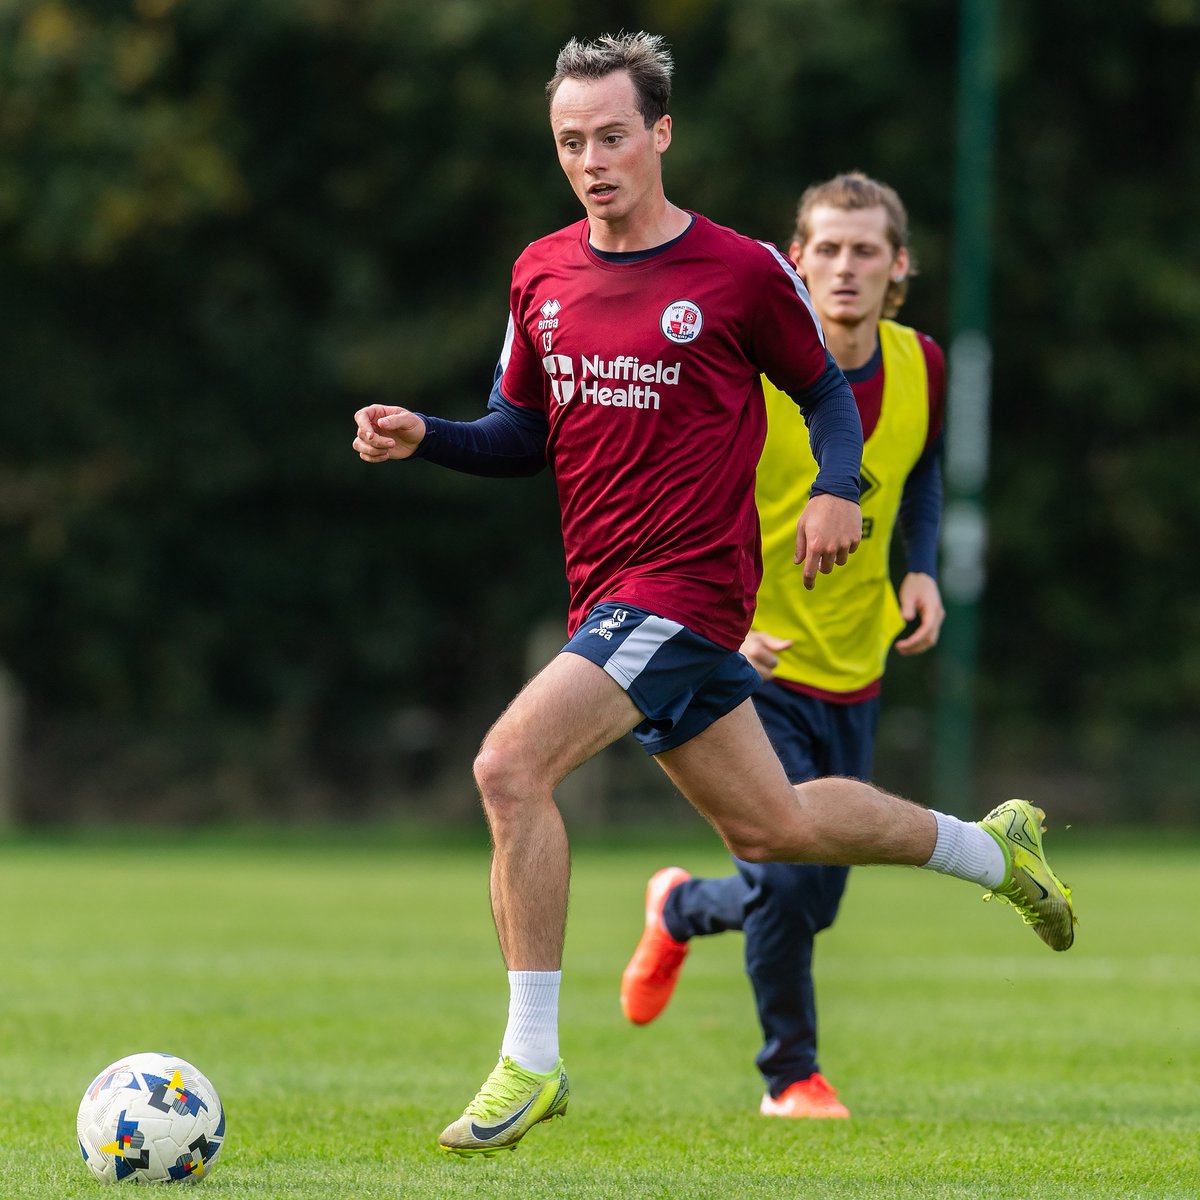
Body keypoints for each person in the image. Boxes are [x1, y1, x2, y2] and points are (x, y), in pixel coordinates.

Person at [351, 33, 1075, 1159]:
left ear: (661, 134)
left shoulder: (739, 272)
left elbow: (829, 395)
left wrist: (841, 491)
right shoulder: (539, 270)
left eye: (611, 137)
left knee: (507, 766)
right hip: (610, 594)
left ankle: (530, 1062)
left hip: (686, 593)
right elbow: (520, 435)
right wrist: (425, 436)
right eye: (569, 142)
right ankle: (995, 852)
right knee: (774, 827)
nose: (591, 161)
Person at [619, 172, 947, 1120]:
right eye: (828, 249)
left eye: (866, 251)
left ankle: (681, 909)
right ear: (794, 261)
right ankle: (790, 1078)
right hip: (746, 667)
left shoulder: (923, 362)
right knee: (791, 880)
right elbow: (663, 491)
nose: (846, 267)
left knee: (814, 899)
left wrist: (917, 567)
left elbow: (918, 470)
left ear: (898, 268)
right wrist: (719, 618)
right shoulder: (750, 368)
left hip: (856, 665)